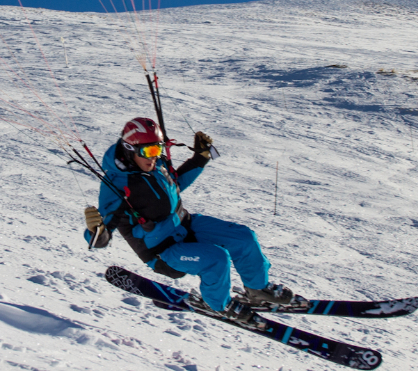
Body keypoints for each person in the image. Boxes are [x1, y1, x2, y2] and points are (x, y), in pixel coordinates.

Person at [83, 117, 294, 321]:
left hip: (185, 226)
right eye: (149, 151)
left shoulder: (155, 165)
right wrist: (95, 231)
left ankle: (257, 289)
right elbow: (103, 232)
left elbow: (175, 185)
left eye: (158, 148)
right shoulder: (117, 184)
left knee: (243, 237)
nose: (154, 157)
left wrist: (200, 157)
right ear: (130, 149)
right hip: (163, 250)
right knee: (216, 259)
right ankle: (218, 305)